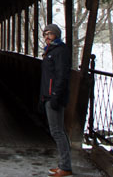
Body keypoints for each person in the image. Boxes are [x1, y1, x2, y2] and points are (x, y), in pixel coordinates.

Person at [40, 23, 73, 176]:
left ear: (56, 35)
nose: (47, 36)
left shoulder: (60, 51)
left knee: (57, 132)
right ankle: (64, 164)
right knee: (59, 130)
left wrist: (55, 96)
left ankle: (65, 167)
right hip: (49, 95)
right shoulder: (50, 50)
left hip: (55, 96)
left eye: (50, 33)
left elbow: (62, 76)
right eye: (45, 33)